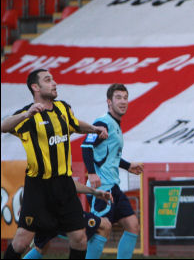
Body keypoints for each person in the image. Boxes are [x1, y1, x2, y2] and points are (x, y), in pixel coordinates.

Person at [1, 69, 109, 259]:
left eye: (53, 79)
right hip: (39, 187)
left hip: (64, 185)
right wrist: (26, 114)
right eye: (48, 80)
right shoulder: (28, 116)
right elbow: (3, 126)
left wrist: (93, 128)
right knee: (21, 242)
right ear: (35, 87)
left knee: (79, 238)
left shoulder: (62, 108)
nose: (54, 83)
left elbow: (75, 124)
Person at [81, 83, 143, 259]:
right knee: (101, 229)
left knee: (132, 224)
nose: (123, 101)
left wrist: (127, 166)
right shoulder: (103, 123)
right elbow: (86, 146)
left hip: (113, 186)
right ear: (109, 102)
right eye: (118, 98)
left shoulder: (115, 124)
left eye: (125, 98)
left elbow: (109, 155)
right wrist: (92, 173)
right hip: (102, 189)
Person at [22, 180, 113, 259]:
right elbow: (66, 182)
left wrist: (28, 205)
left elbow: (66, 182)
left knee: (41, 248)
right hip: (57, 211)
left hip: (44, 210)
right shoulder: (53, 162)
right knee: (104, 226)